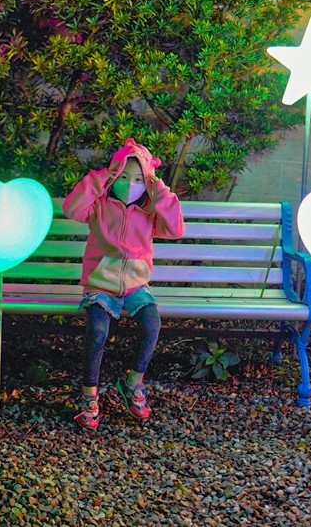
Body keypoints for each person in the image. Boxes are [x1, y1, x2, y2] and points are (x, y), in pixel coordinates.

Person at [62, 138, 185, 429]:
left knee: (152, 325)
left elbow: (177, 229)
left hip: (136, 286)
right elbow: (71, 208)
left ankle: (132, 384)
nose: (131, 184)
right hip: (100, 285)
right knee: (98, 329)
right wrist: (102, 177)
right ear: (115, 176)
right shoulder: (99, 207)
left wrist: (159, 189)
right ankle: (89, 393)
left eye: (140, 179)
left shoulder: (150, 212)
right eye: (125, 177)